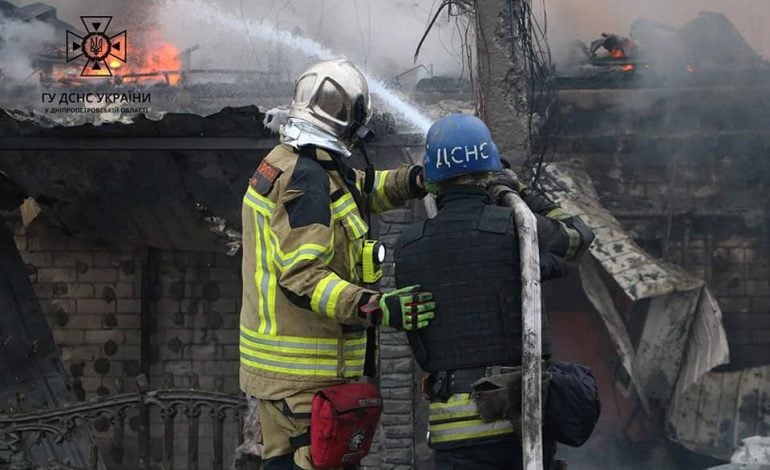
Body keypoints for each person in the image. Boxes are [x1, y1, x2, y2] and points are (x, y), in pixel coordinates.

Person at [239, 58, 436, 470]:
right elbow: (303, 279)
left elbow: (356, 192)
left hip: (286, 375)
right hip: (304, 379)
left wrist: (415, 181)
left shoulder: (293, 158)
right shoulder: (306, 179)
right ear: (350, 120)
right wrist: (375, 307)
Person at [394, 114, 595, 470]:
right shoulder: (518, 232)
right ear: (488, 170)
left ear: (432, 180)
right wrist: (516, 192)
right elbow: (577, 237)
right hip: (517, 426)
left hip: (449, 436)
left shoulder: (408, 246)